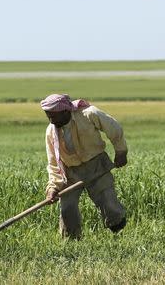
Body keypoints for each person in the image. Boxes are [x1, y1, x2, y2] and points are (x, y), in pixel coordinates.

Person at [41, 93, 128, 239]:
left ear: (65, 111)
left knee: (108, 202)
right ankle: (71, 241)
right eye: (48, 116)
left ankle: (119, 233)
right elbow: (54, 162)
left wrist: (121, 152)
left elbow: (114, 129)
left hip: (96, 164)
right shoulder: (51, 131)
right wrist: (53, 187)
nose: (51, 120)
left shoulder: (89, 114)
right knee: (67, 208)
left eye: (53, 116)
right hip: (70, 172)